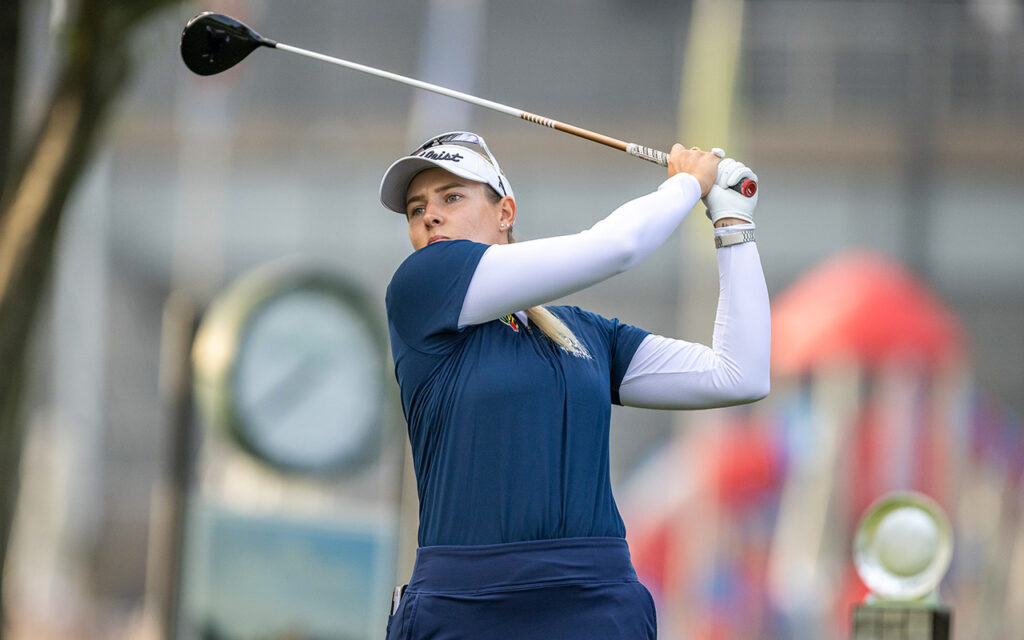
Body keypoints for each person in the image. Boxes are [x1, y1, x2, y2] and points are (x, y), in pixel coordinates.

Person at [379, 131, 770, 639]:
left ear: (505, 212)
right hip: (468, 607)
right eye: (416, 209)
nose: (429, 215)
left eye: (452, 196)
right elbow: (616, 247)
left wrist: (733, 222)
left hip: (597, 603)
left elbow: (739, 374)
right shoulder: (422, 286)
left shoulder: (584, 333)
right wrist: (687, 185)